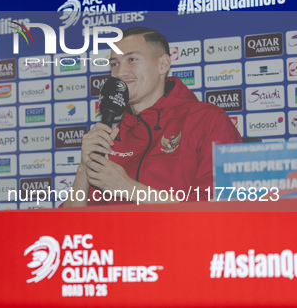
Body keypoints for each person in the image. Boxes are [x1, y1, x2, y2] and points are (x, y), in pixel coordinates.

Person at [63, 27, 242, 206]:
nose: (121, 73)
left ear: (163, 64)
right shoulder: (112, 136)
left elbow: (220, 209)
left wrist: (128, 188)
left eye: (131, 60)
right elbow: (69, 227)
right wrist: (83, 169)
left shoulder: (207, 120)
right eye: (114, 64)